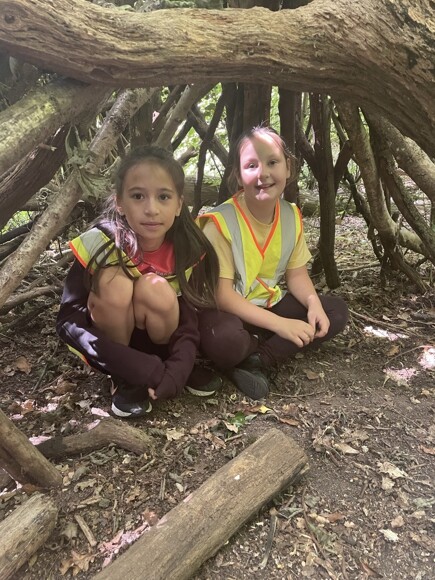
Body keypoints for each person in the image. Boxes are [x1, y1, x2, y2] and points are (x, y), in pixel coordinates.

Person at [56, 145, 222, 418]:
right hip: (114, 347)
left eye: (163, 197)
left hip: (160, 340)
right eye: (137, 196)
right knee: (114, 281)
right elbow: (68, 322)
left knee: (154, 287)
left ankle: (163, 364)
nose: (151, 209)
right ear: (119, 203)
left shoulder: (186, 248)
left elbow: (189, 317)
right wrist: (132, 366)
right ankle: (124, 379)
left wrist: (179, 367)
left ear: (179, 205)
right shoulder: (101, 244)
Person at [197, 126, 348, 400]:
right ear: (239, 176)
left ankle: (257, 359)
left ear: (288, 168)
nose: (263, 173)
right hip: (226, 311)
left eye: (272, 162)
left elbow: (296, 275)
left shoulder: (290, 215)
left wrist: (313, 304)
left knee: (334, 311)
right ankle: (258, 347)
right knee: (225, 341)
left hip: (267, 303)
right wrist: (280, 325)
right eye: (251, 165)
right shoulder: (220, 223)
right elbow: (222, 295)